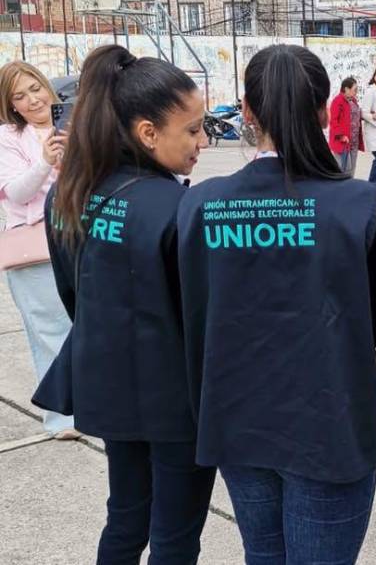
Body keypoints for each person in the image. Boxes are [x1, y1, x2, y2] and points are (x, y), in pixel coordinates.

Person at [177, 44, 376, 565]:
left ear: (247, 111)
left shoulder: (200, 203)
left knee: (263, 555)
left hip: (236, 421)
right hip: (328, 427)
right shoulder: (360, 204)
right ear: (324, 111)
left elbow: (192, 314)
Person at [32, 45, 215, 563]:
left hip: (107, 386)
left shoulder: (67, 194)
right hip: (175, 400)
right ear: (148, 132)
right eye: (193, 130)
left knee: (126, 518)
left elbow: (73, 293)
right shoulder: (178, 209)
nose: (203, 141)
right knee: (176, 534)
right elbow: (201, 317)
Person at [0, 61, 77, 440]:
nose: (32, 100)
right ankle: (62, 418)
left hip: (80, 238)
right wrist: (46, 161)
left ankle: (92, 405)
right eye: (20, 96)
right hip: (35, 247)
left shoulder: (76, 126)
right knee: (50, 331)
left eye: (35, 88)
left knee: (85, 328)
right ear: (10, 105)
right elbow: (16, 192)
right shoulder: (9, 137)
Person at [329, 76, 364, 175]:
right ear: (346, 89)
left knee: (351, 170)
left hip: (354, 141)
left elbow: (356, 115)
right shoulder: (337, 101)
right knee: (343, 170)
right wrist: (341, 136)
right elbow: (333, 121)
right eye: (355, 89)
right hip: (343, 141)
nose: (356, 92)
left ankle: (349, 185)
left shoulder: (353, 100)